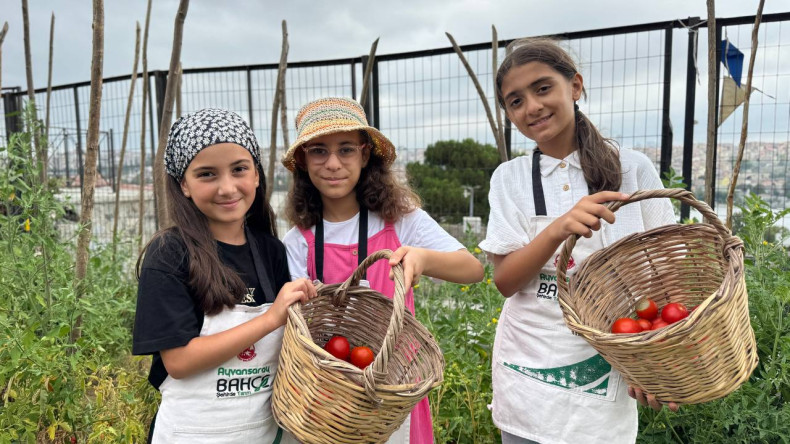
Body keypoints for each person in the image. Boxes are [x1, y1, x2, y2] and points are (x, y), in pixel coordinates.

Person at [479, 38, 679, 444]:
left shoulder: (632, 169)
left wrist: (653, 357)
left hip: (607, 377)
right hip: (529, 382)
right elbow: (505, 281)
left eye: (542, 88)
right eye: (515, 101)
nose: (531, 106)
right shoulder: (510, 179)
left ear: (575, 86)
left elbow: (666, 269)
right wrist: (557, 229)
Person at [281, 97, 485, 443]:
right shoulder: (298, 240)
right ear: (303, 161)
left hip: (394, 388)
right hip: (330, 395)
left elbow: (473, 269)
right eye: (318, 151)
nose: (333, 164)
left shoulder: (402, 222)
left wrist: (423, 258)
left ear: (364, 154)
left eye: (345, 150)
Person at [132, 108, 316, 443]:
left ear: (257, 176)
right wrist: (269, 318)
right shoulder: (170, 255)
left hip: (262, 433)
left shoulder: (271, 251)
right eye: (207, 174)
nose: (227, 187)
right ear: (183, 185)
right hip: (193, 434)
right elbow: (179, 361)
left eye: (239, 169)